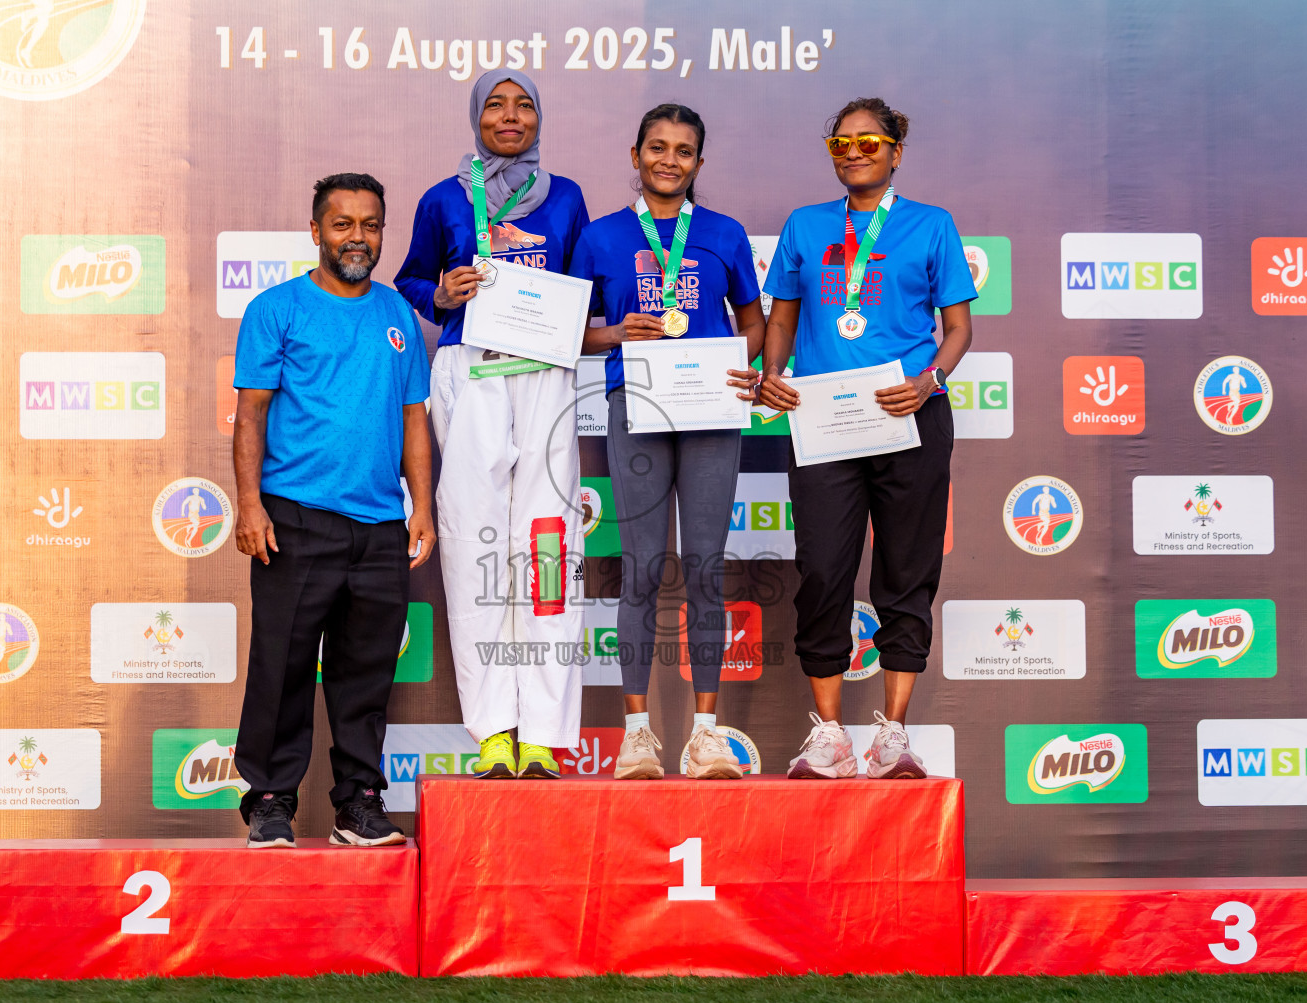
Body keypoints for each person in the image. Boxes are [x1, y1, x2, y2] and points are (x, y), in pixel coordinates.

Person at [754, 98, 975, 780]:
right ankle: (829, 735)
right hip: (822, 420)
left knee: (907, 572)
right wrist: (771, 371)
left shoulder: (931, 226)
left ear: (895, 151)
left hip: (908, 415)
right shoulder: (804, 225)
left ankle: (894, 737)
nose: (853, 151)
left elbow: (959, 329)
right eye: (840, 143)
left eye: (869, 142)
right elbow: (781, 321)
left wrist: (930, 380)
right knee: (822, 572)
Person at [395, 71, 590, 780]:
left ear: (540, 118)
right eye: (497, 106)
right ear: (476, 117)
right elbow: (410, 281)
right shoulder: (443, 198)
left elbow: (580, 287)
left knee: (546, 550)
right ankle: (494, 731)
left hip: (543, 374)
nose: (511, 117)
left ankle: (543, 731)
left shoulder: (565, 196)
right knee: (478, 547)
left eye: (525, 105)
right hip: (469, 371)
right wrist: (442, 290)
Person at [231, 173, 435, 848]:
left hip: (379, 526)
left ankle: (359, 802)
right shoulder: (276, 308)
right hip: (293, 517)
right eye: (342, 224)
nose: (358, 237)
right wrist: (250, 504)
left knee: (365, 675)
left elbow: (413, 421)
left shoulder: (399, 315)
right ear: (316, 232)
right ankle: (269, 801)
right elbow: (250, 414)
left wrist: (422, 508)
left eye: (370, 224)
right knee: (281, 667)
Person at [567, 104, 765, 780]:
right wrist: (620, 332)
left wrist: (744, 367)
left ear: (699, 164)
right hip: (638, 407)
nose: (669, 160)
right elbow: (573, 331)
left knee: (706, 568)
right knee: (644, 570)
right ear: (635, 155)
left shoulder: (725, 234)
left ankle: (706, 734)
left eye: (684, 151)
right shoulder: (599, 238)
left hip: (710, 410)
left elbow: (755, 320)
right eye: (657, 147)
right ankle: (637, 735)